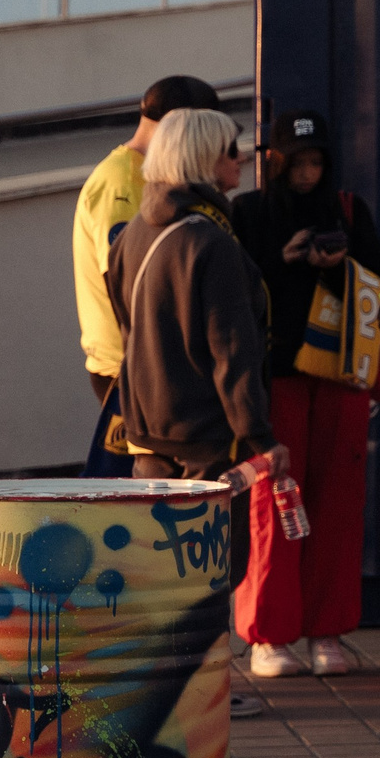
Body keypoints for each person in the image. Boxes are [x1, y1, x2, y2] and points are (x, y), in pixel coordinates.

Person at [228, 109, 380, 679]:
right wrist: (285, 259)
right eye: (296, 162)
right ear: (273, 162)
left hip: (339, 376)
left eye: (316, 161)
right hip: (275, 378)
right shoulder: (246, 213)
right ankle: (268, 636)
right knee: (275, 504)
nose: (307, 173)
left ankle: (327, 630)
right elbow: (234, 290)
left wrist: (336, 263)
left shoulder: (348, 210)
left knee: (338, 504)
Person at [105, 108, 285, 486]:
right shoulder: (211, 243)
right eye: (229, 149)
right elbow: (231, 349)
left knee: (154, 543)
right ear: (202, 156)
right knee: (210, 545)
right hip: (204, 438)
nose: (241, 156)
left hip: (145, 432)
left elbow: (127, 331)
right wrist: (260, 437)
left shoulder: (132, 233)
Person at [73, 74, 225, 471]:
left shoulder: (140, 175)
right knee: (130, 508)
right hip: (127, 368)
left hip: (141, 364)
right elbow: (131, 282)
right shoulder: (125, 181)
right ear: (178, 123)